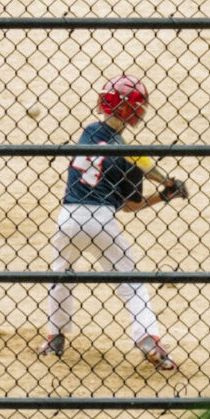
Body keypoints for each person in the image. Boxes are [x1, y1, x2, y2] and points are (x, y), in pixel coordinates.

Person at [37, 75, 188, 372]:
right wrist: (165, 191)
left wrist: (154, 175)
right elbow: (131, 205)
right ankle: (148, 337)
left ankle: (55, 337)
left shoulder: (89, 132)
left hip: (68, 218)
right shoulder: (128, 159)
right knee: (130, 281)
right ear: (130, 111)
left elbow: (123, 154)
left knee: (61, 274)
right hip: (102, 221)